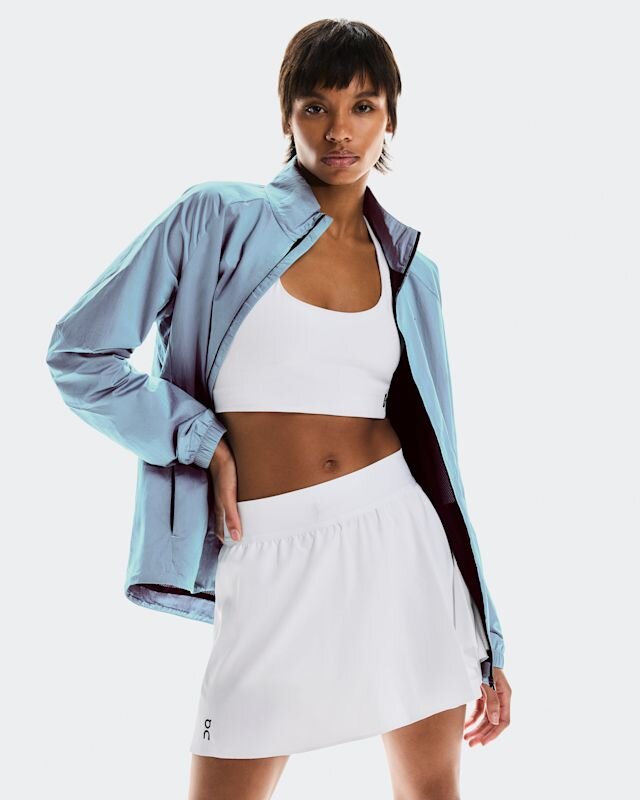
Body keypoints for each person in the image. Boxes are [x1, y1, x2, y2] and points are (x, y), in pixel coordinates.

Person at [46, 18, 511, 800]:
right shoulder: (216, 218)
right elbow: (79, 354)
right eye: (315, 106)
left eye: (363, 107)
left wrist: (489, 637)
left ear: (391, 117)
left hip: (401, 540)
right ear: (286, 115)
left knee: (431, 790)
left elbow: (445, 464)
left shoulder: (411, 270)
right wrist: (199, 439)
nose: (339, 131)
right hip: (266, 547)